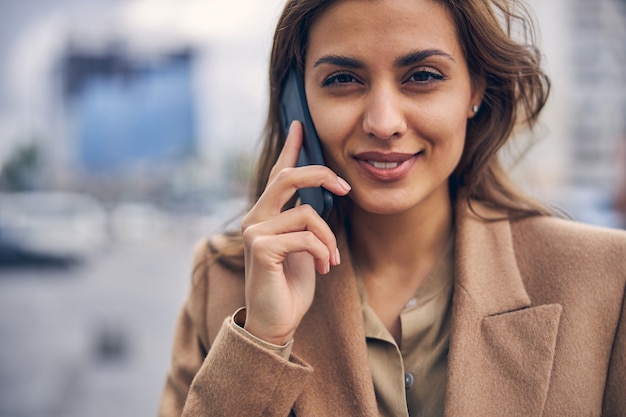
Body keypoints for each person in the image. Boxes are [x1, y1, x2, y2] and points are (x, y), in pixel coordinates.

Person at [158, 0, 626, 416]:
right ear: (296, 104)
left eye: (422, 76)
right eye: (343, 79)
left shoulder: (607, 278)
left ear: (475, 89)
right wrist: (263, 341)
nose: (383, 122)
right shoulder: (223, 281)